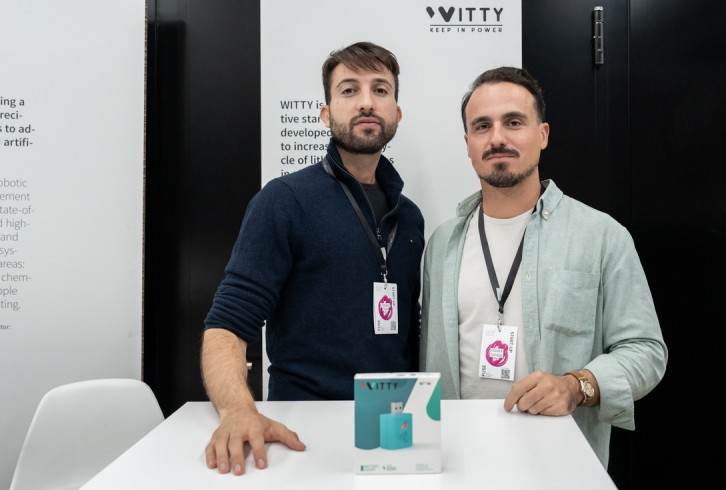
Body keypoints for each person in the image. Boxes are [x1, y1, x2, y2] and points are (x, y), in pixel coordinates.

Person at [419, 66, 667, 469]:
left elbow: (646, 351)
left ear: (543, 134)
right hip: (458, 462)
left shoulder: (601, 236)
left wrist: (577, 386)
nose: (497, 138)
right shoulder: (442, 243)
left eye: (514, 122)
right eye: (482, 126)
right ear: (468, 144)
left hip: (557, 464)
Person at [202, 41, 424, 475]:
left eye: (380, 90)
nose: (366, 102)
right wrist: (237, 410)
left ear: (397, 113)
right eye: (348, 90)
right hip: (303, 425)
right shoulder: (284, 200)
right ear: (325, 113)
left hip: (395, 423)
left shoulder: (410, 217)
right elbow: (227, 325)